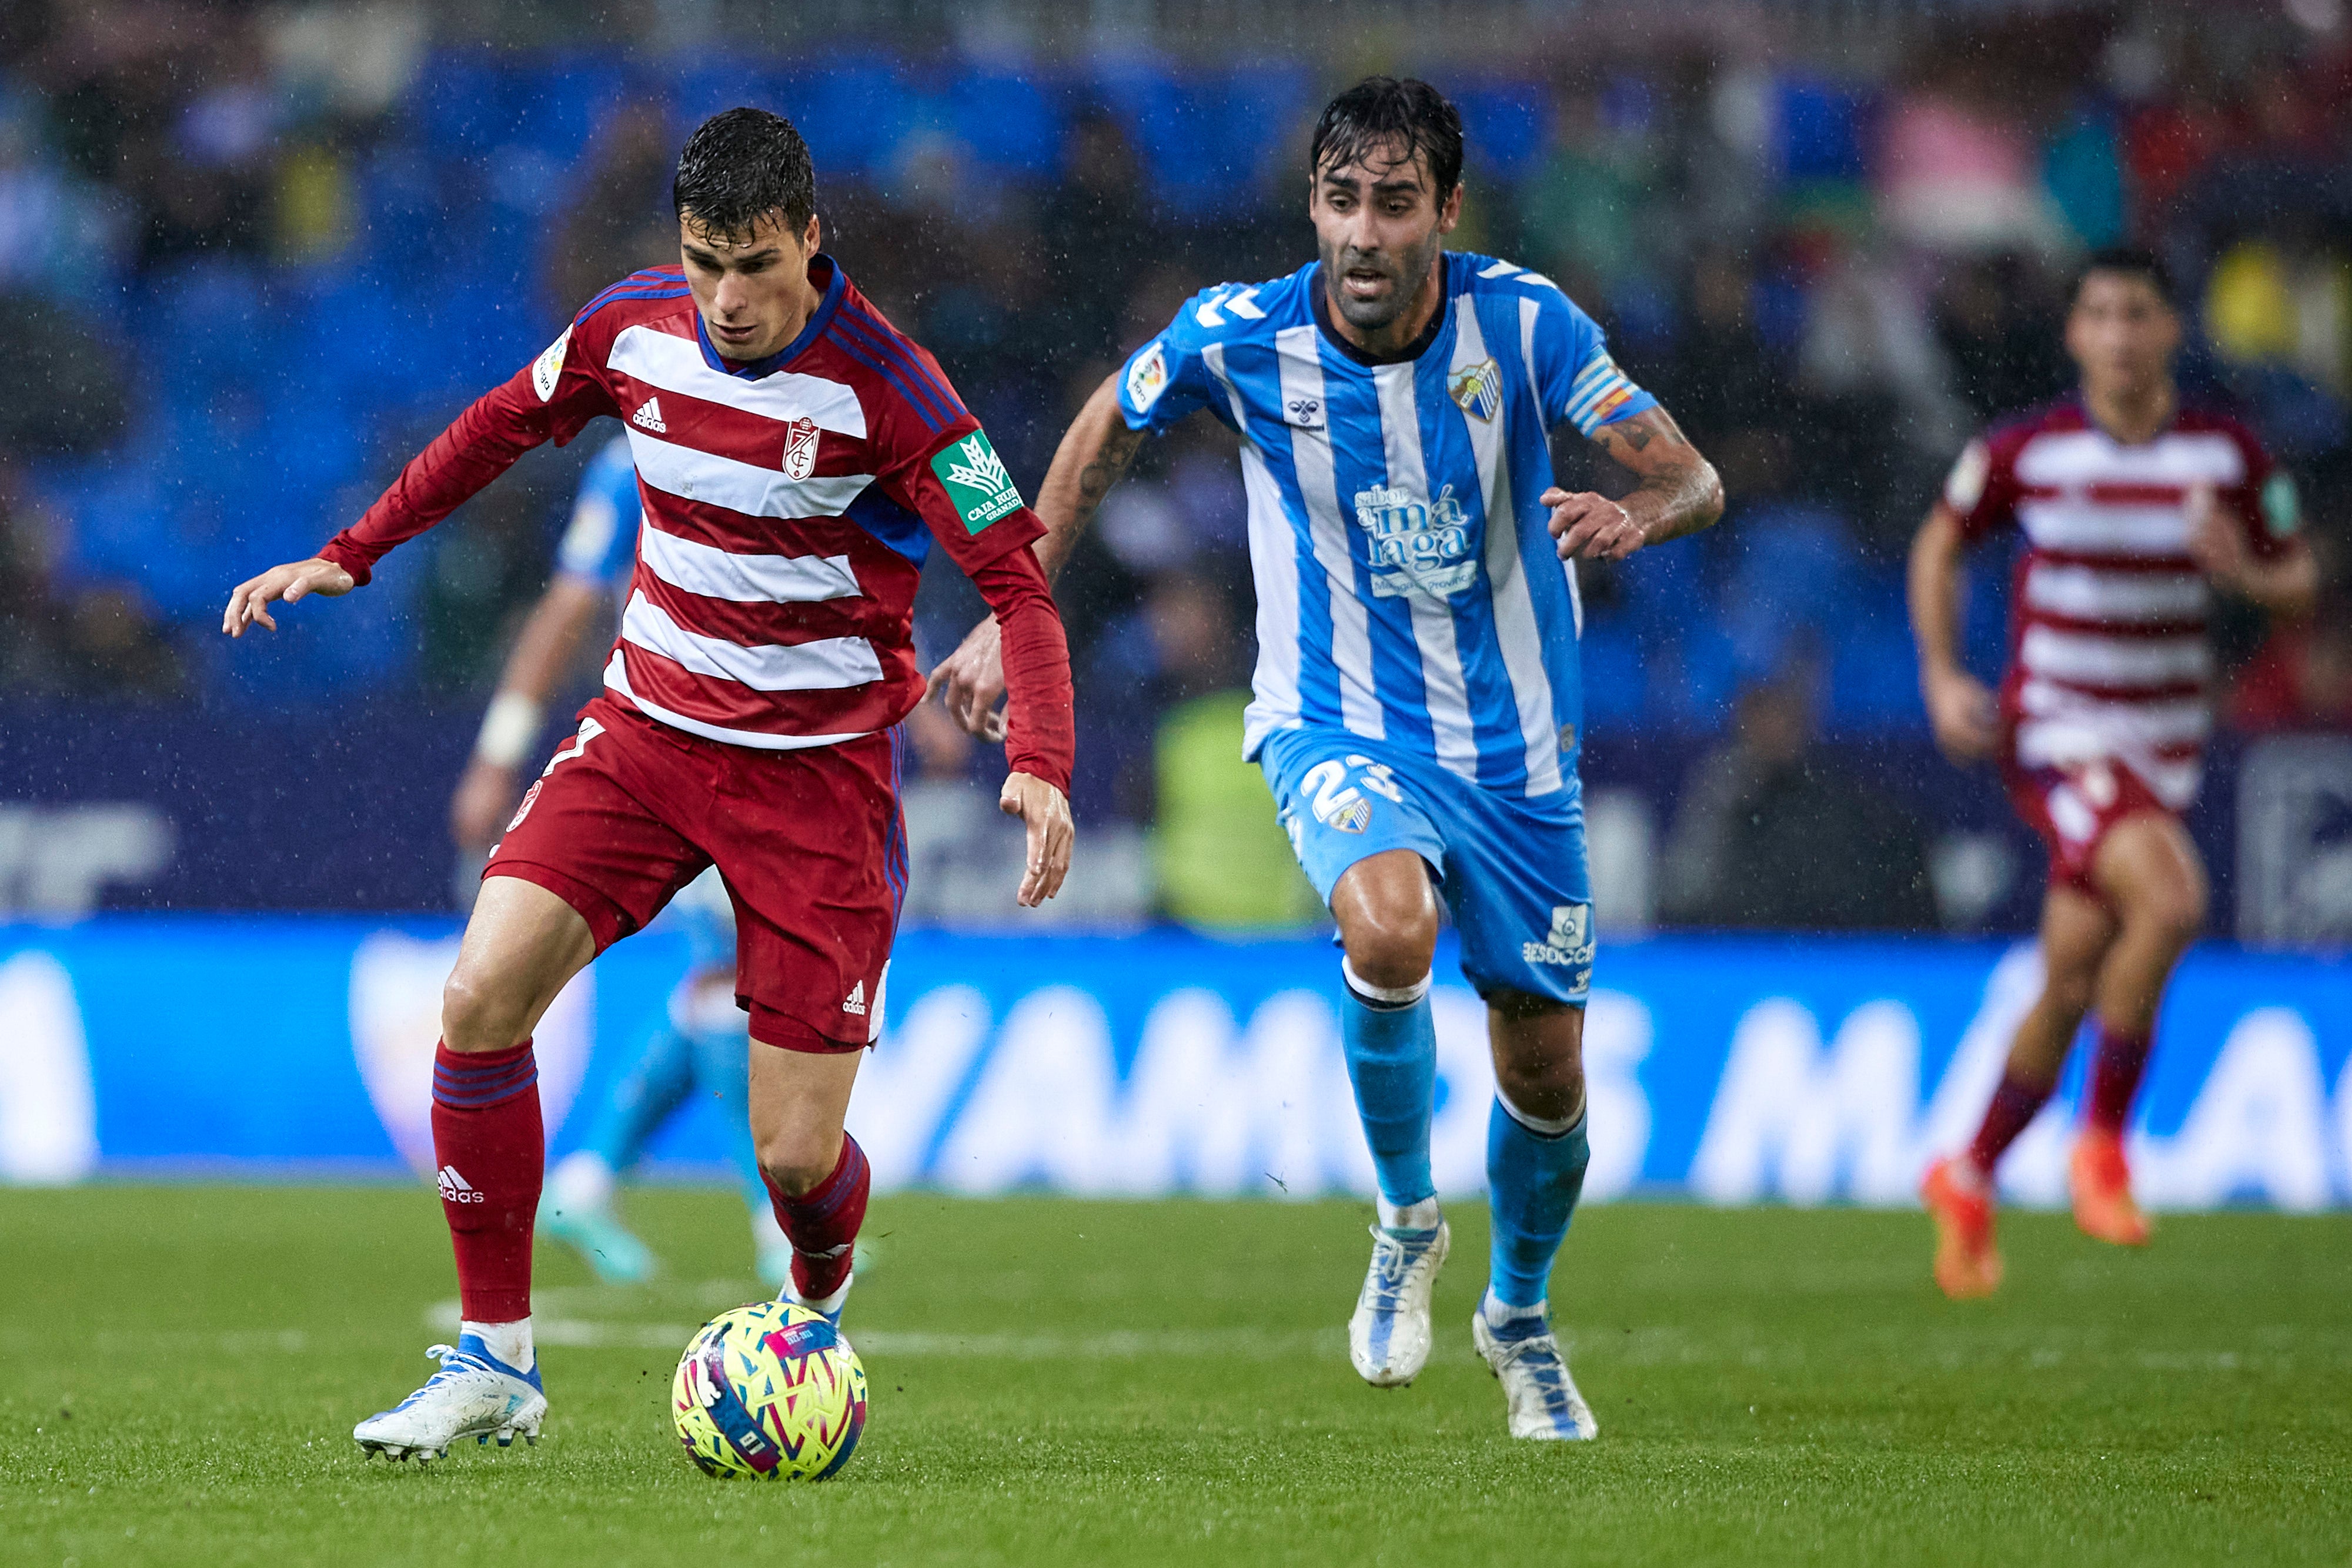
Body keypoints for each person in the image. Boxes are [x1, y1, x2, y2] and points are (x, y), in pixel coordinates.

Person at [222, 107, 1077, 1462]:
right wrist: (355, 550)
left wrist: (1040, 761)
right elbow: (500, 423)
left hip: (814, 785)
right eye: (702, 263)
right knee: (481, 994)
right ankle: (495, 1361)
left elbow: (1018, 585)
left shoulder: (896, 390)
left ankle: (815, 1296)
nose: (726, 300)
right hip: (647, 741)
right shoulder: (635, 328)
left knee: (794, 1160)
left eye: (752, 266)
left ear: (809, 238)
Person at [931, 77, 1723, 1440]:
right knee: (1388, 919)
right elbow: (1101, 425)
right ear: (1312, 203)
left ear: (1445, 212)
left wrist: (1638, 516)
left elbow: (1696, 478)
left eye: (1395, 203)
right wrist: (1018, 608)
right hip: (1330, 716)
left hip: (1519, 751)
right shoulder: (1237, 334)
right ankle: (1406, 1217)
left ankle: (1518, 1315)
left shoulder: (1522, 323)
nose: (1363, 233)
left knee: (1545, 1079)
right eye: (1341, 200)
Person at [1909, 246, 2315, 1300]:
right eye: (2100, 315)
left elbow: (2304, 571)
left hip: (2164, 748)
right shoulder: (2029, 451)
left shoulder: (2227, 456)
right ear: (2076, 335)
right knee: (2173, 903)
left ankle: (1970, 1169)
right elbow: (1939, 545)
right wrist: (1945, 673)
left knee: (2075, 975)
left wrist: (2249, 571)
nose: (2121, 334)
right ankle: (2102, 1145)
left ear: (2171, 330)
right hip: (2057, 730)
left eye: (2139, 313)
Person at [443, 435, 793, 1288]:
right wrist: (498, 753)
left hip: (787, 734)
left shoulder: (793, 419)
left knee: (732, 975)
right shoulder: (640, 449)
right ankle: (774, 1227)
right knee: (732, 977)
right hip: (684, 735)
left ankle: (589, 1180)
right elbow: (569, 604)